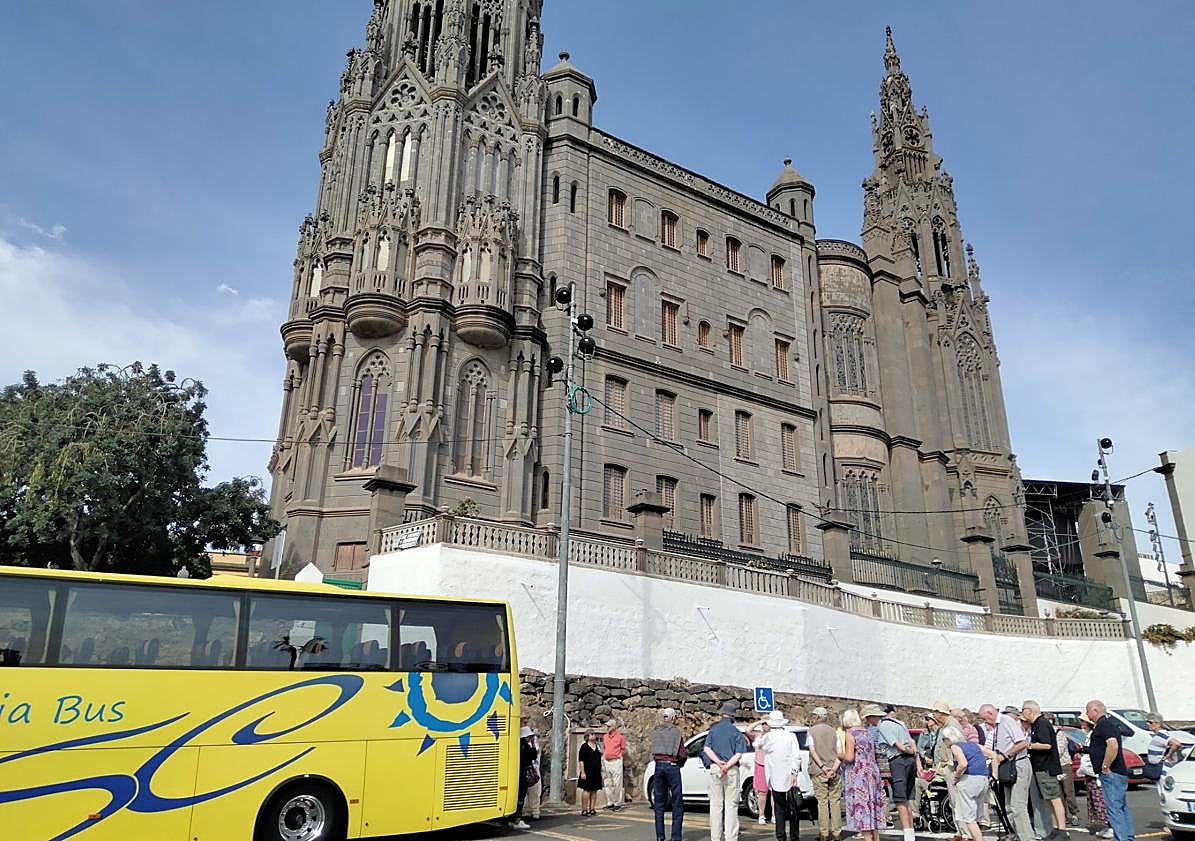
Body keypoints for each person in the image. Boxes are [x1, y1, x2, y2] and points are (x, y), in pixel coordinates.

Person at [979, 703, 1032, 841]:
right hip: (1007, 767)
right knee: (1008, 806)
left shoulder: (1007, 721)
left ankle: (1027, 838)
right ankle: (1016, 834)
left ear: (991, 713)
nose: (985, 723)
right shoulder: (997, 726)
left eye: (985, 719)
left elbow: (1022, 743)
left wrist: (1005, 755)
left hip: (1018, 764)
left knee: (1017, 806)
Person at [1087, 699, 1135, 841]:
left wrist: (1105, 766)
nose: (1087, 714)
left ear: (1095, 710)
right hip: (1117, 772)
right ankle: (1128, 836)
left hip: (1112, 773)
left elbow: (1112, 745)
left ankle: (1122, 838)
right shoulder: (1106, 724)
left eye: (1088, 710)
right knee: (1121, 806)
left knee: (1114, 808)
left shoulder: (1104, 725)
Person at [754, 709, 803, 841]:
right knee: (793, 809)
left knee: (779, 809)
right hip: (789, 776)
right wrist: (794, 773)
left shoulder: (768, 737)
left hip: (774, 777)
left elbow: (756, 744)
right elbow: (796, 756)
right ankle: (794, 836)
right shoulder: (790, 736)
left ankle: (781, 836)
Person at [1023, 700, 1069, 840]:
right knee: (1048, 799)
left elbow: (1047, 745)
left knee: (1054, 798)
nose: (1022, 713)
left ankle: (1062, 829)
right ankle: (1055, 828)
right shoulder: (1035, 725)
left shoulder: (1042, 723)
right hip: (1039, 767)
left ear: (1030, 710)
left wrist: (1028, 745)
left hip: (1047, 767)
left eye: (1023, 709)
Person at [874, 703, 919, 841]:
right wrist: (915, 755)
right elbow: (911, 741)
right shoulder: (901, 723)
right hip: (910, 761)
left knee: (900, 800)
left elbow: (897, 745)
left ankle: (908, 836)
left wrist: (909, 751)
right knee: (907, 799)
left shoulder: (883, 726)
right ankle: (911, 833)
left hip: (898, 760)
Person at [841, 707, 885, 841]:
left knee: (863, 807)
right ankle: (876, 838)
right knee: (872, 807)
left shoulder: (850, 733)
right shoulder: (867, 732)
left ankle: (867, 839)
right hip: (872, 771)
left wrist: (838, 755)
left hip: (859, 774)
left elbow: (849, 757)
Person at [704, 701, 744, 841]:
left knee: (715, 805)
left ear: (722, 714)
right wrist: (727, 766)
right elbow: (739, 753)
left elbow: (707, 749)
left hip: (715, 768)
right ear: (733, 716)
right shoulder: (736, 732)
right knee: (731, 806)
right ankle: (731, 837)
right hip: (731, 769)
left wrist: (717, 762)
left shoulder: (713, 730)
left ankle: (715, 837)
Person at [944, 728, 993, 841]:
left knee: (968, 818)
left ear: (948, 739)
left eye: (944, 739)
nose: (944, 742)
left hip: (969, 780)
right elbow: (993, 755)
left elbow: (963, 764)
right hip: (983, 779)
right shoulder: (974, 745)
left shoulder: (955, 747)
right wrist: (993, 774)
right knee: (975, 817)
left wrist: (956, 778)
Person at [808, 706, 844, 841]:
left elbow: (812, 751)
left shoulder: (811, 731)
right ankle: (837, 833)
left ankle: (824, 833)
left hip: (819, 770)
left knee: (822, 803)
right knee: (835, 802)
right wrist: (833, 769)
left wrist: (823, 768)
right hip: (834, 770)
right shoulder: (834, 732)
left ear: (817, 717)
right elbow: (840, 753)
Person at [651, 707, 686, 841]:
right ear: (672, 718)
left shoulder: (655, 731)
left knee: (659, 803)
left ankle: (660, 837)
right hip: (672, 766)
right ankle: (675, 837)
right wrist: (680, 763)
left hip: (658, 766)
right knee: (677, 803)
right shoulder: (676, 732)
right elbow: (682, 754)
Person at [1078, 714, 1112, 839]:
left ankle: (1111, 826)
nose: (1081, 724)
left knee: (1101, 800)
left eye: (1083, 722)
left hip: (1095, 772)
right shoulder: (1088, 735)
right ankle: (1106, 826)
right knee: (1094, 800)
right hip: (1089, 772)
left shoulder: (1094, 735)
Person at [1046, 713, 1079, 828]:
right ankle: (1063, 816)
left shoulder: (1059, 733)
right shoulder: (1046, 733)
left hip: (1064, 765)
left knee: (1068, 790)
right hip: (1053, 766)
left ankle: (1074, 814)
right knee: (1058, 793)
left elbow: (1059, 751)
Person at [508, 725, 538, 830]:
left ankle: (512, 818)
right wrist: (533, 744)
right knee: (520, 798)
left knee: (516, 798)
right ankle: (517, 819)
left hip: (515, 774)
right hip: (523, 775)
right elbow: (534, 755)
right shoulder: (525, 746)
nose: (531, 738)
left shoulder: (516, 744)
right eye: (529, 736)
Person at [1144, 712, 1183, 780]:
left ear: (1158, 724)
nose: (1148, 724)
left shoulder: (1161, 735)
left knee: (1163, 788)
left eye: (1150, 722)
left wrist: (1169, 755)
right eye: (1147, 722)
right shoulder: (1158, 735)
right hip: (1157, 767)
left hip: (1161, 769)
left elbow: (1176, 744)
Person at [602, 718, 627, 811]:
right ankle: (610, 802)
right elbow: (604, 747)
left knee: (617, 783)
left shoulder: (620, 737)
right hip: (607, 761)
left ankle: (617, 803)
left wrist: (619, 755)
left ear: (614, 727)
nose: (607, 727)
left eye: (609, 726)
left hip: (616, 761)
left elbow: (623, 748)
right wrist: (604, 755)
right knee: (607, 782)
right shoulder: (605, 737)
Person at [577, 729, 603, 816]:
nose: (593, 735)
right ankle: (584, 809)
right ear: (587, 736)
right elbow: (581, 760)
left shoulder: (597, 746)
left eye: (594, 734)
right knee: (586, 790)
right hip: (587, 771)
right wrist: (582, 772)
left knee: (594, 790)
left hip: (596, 771)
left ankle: (592, 808)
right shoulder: (584, 746)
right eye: (591, 734)